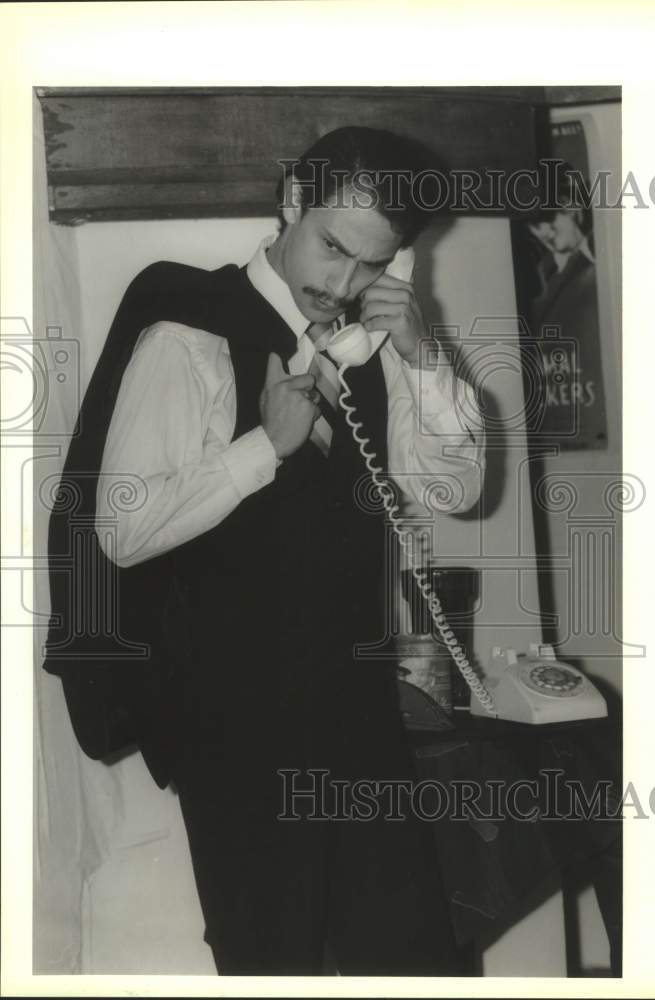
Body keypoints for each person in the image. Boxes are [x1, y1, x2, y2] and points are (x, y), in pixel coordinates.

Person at [45, 126, 485, 975]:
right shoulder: (188, 330)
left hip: (355, 711)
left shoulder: (373, 345)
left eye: (371, 264)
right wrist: (262, 449)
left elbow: (454, 489)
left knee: (414, 956)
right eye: (330, 247)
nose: (340, 283)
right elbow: (122, 528)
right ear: (290, 202)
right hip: (233, 728)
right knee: (269, 960)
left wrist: (423, 356)